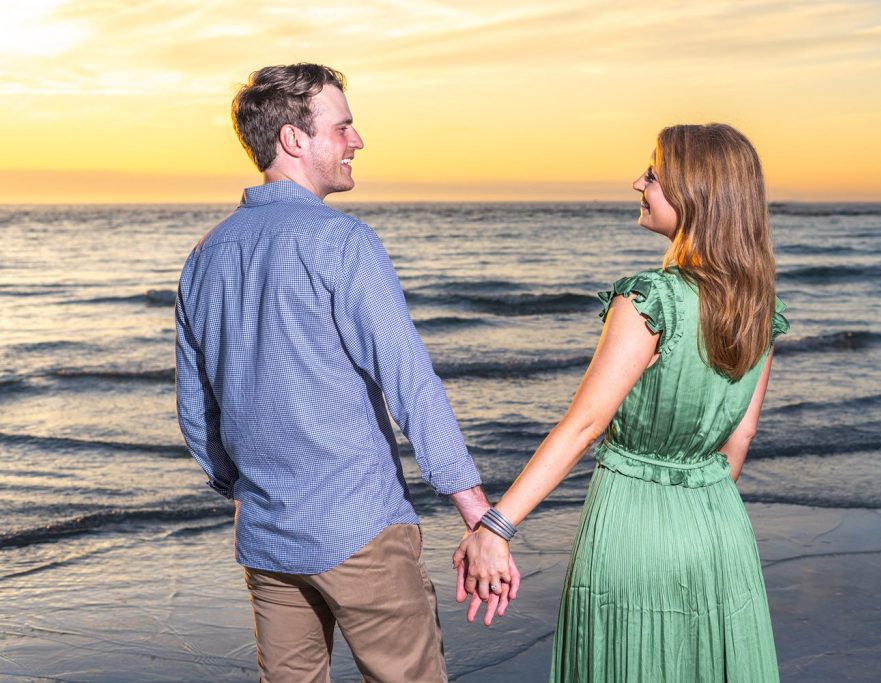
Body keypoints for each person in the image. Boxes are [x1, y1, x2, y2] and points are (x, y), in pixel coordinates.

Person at [174, 63, 518, 683]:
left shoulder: (205, 256)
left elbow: (198, 415)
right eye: (344, 127)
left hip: (267, 535)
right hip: (360, 531)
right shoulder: (343, 242)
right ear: (293, 140)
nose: (357, 141)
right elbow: (410, 383)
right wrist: (478, 516)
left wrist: (252, 490)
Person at [454, 123, 789, 681]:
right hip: (718, 530)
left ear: (696, 193)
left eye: (654, 174)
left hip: (635, 527)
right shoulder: (758, 308)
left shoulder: (649, 299)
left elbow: (585, 424)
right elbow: (742, 436)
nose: (639, 182)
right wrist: (693, 511)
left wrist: (497, 526)